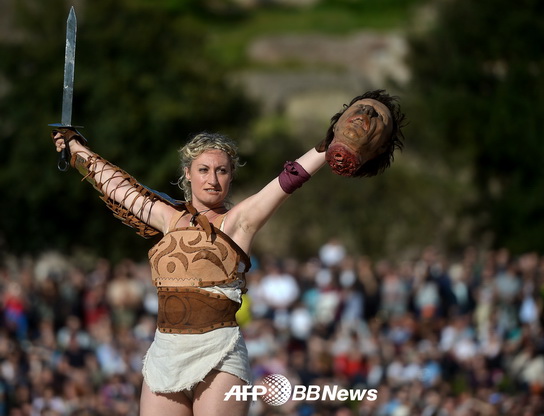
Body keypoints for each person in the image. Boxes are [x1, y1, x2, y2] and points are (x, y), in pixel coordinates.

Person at [51, 89, 405, 416]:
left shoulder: (239, 222)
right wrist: (76, 148)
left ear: (231, 177)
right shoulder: (167, 218)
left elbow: (288, 180)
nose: (213, 179)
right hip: (165, 351)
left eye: (222, 171)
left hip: (219, 352)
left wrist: (325, 148)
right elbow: (118, 187)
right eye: (203, 170)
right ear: (187, 174)